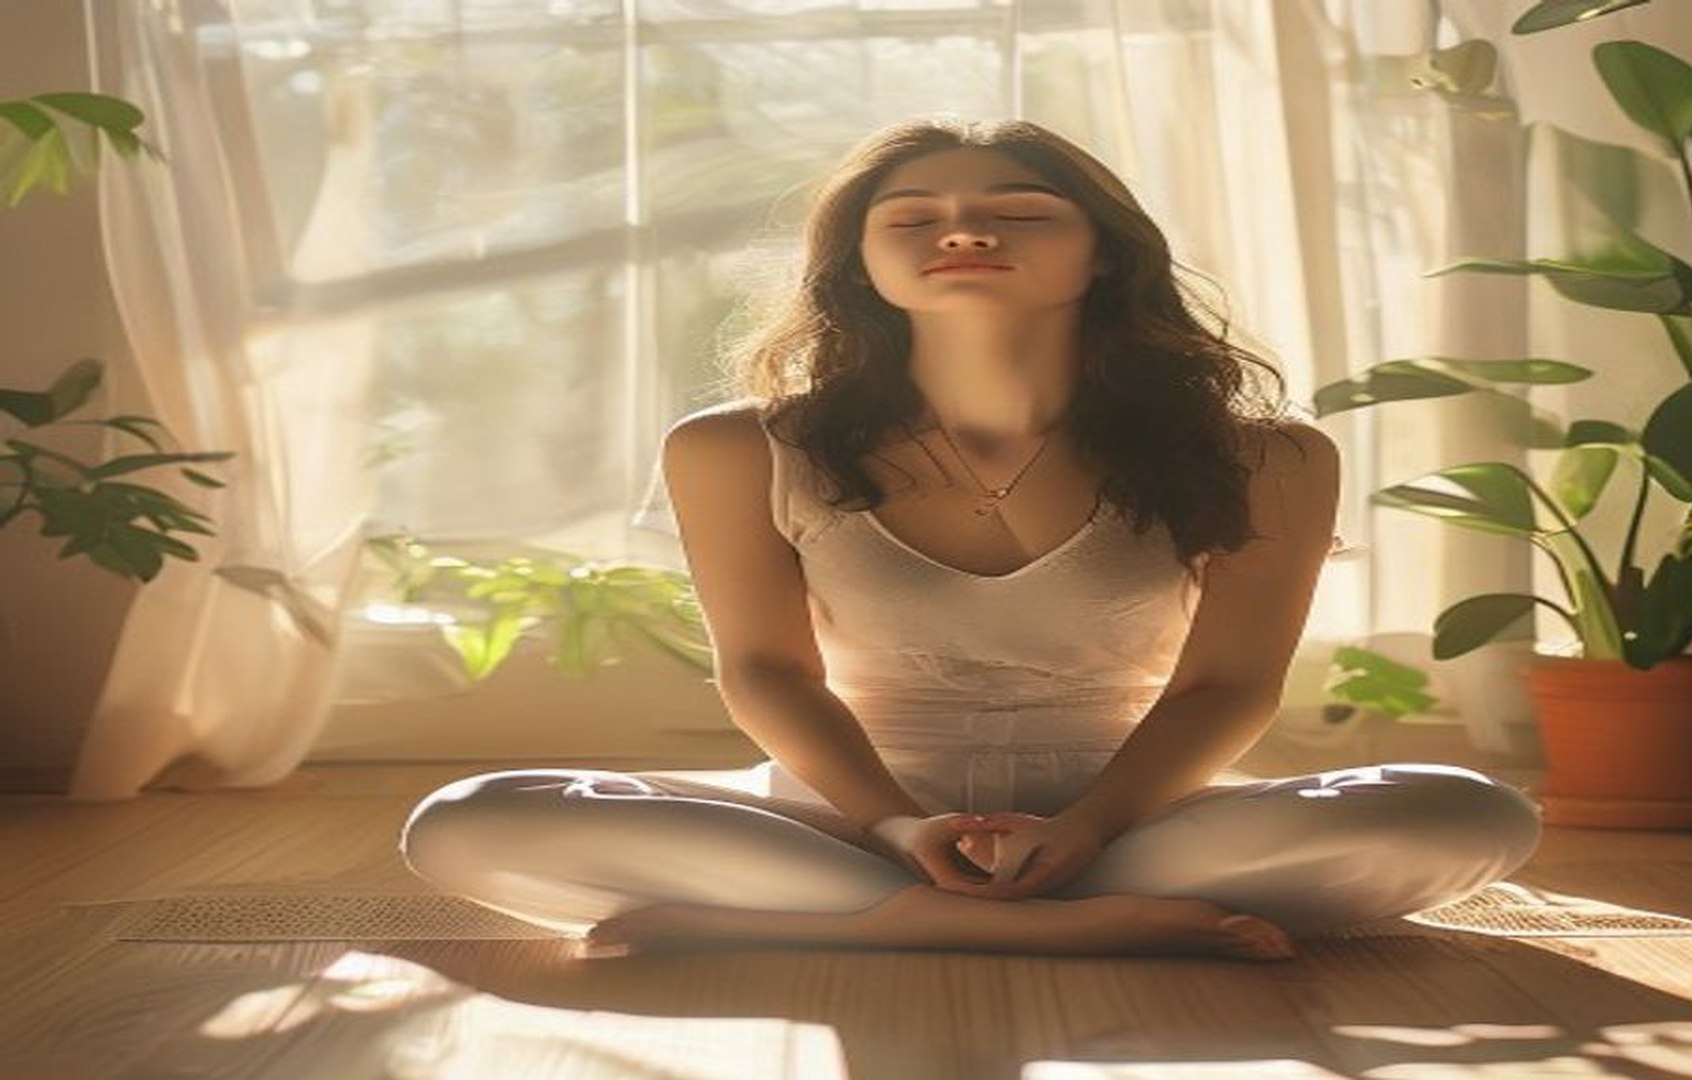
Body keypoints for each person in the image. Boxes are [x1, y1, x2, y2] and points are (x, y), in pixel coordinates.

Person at [400, 118, 1540, 961]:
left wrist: (1089, 830)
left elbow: (1227, 689)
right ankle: (1048, 930)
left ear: (1105, 254)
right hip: (840, 821)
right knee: (465, 823)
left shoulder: (1267, 457)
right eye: (915, 219)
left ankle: (849, 927)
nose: (966, 230)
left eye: (1021, 210)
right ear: (862, 267)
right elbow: (768, 673)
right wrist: (896, 826)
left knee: (1468, 810)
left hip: (1140, 824)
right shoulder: (736, 447)